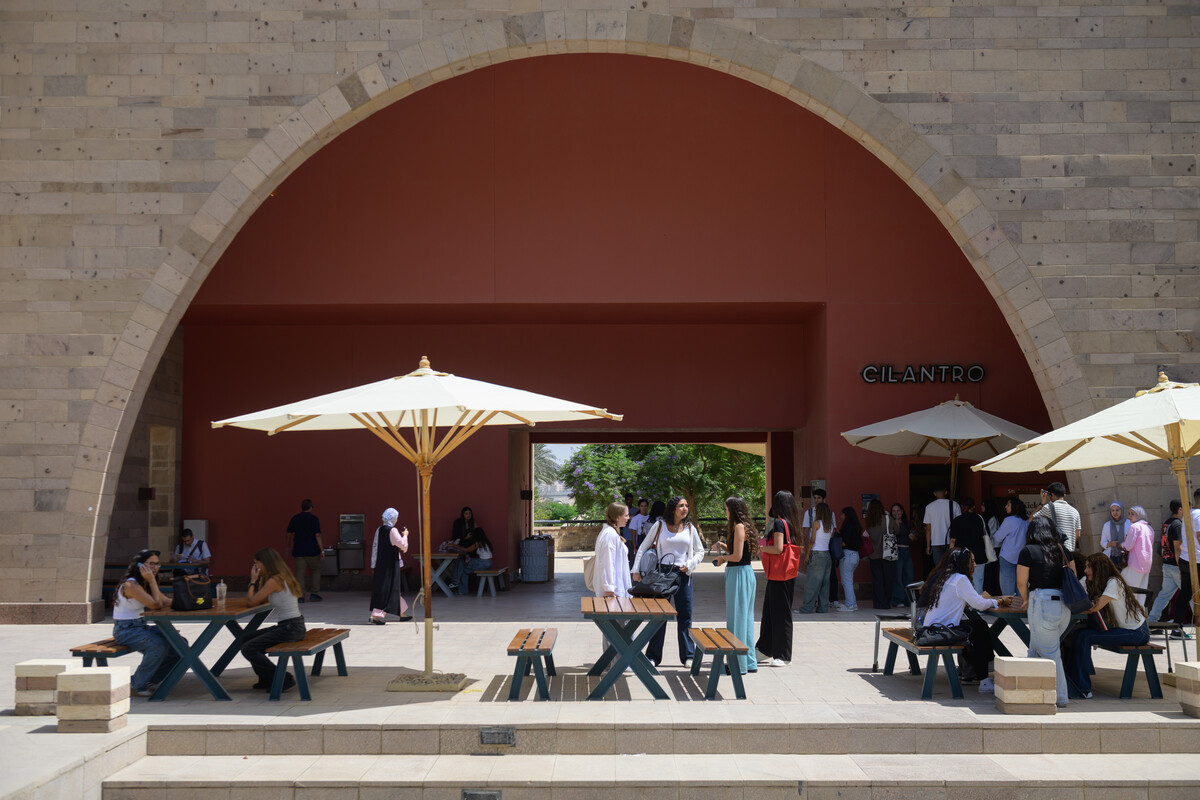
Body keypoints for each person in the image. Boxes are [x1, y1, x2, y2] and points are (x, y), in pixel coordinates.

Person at [919, 547, 1011, 691]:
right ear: (963, 563)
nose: (974, 565)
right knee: (978, 633)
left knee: (978, 626)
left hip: (933, 628)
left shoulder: (946, 576)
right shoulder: (960, 579)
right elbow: (979, 605)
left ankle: (983, 668)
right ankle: (984, 679)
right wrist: (998, 601)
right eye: (972, 562)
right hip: (940, 632)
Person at [632, 496, 704, 666]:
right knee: (659, 616)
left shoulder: (689, 527)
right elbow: (643, 547)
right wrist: (635, 569)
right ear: (673, 508)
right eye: (681, 506)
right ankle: (653, 656)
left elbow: (700, 551)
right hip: (662, 574)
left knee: (685, 615)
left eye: (686, 505)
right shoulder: (660, 525)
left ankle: (688, 656)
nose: (685, 508)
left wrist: (690, 564)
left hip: (683, 574)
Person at [1067, 553, 1150, 698]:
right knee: (1078, 634)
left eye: (1089, 567)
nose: (1085, 571)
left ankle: (1083, 689)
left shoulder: (1114, 582)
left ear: (1099, 568)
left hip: (1137, 633)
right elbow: (1077, 590)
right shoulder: (1094, 581)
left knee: (1085, 636)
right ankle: (1073, 683)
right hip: (1124, 630)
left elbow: (1096, 606)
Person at [1016, 515, 1074, 707]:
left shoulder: (1028, 551)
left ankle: (1061, 697)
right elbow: (1073, 576)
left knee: (1050, 653)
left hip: (1042, 603)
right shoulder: (1063, 550)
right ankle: (1029, 693)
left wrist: (1025, 599)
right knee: (1035, 648)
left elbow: (1021, 582)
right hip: (1064, 606)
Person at [111, 549, 181, 697]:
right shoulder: (131, 586)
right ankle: (136, 684)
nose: (155, 567)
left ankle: (150, 680)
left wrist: (191, 602)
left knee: (180, 643)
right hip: (125, 630)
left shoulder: (144, 583)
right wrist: (152, 580)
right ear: (140, 565)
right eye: (151, 564)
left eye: (157, 564)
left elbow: (164, 601)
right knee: (158, 645)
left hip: (140, 626)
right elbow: (156, 605)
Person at [240, 547, 305, 692]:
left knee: (249, 648)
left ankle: (282, 678)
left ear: (266, 563)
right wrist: (261, 578)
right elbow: (262, 600)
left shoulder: (275, 580)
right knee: (246, 638)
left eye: (257, 563)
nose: (255, 567)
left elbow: (251, 602)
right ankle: (266, 678)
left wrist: (252, 581)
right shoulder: (281, 575)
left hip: (290, 628)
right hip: (293, 625)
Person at [712, 497, 759, 675]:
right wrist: (724, 547)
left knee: (736, 619)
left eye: (726, 509)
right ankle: (748, 661)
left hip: (739, 574)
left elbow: (737, 557)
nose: (725, 512)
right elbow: (740, 553)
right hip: (743, 573)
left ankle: (737, 664)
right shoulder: (743, 526)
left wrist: (722, 558)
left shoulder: (738, 527)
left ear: (732, 510)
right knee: (745, 619)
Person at [757, 491, 801, 666]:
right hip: (784, 574)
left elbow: (777, 548)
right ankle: (765, 648)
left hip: (779, 574)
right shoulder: (792, 523)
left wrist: (761, 549)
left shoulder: (779, 523)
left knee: (780, 614)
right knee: (770, 611)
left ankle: (783, 654)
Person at [369, 507, 411, 625]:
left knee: (393, 588)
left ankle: (402, 612)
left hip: (381, 563)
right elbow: (403, 545)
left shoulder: (380, 529)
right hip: (390, 564)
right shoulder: (392, 530)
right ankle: (375, 615)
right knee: (387, 588)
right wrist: (406, 535)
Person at [1149, 500, 1184, 624]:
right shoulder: (1178, 525)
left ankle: (1151, 620)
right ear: (1180, 509)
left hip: (1167, 565)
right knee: (1190, 595)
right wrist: (1182, 568)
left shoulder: (1166, 523)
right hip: (1176, 567)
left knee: (1163, 596)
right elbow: (1178, 548)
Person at [285, 499, 324, 602]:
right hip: (312, 550)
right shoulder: (314, 519)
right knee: (316, 571)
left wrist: (288, 546)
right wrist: (322, 550)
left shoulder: (295, 518)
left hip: (298, 550)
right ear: (311, 507)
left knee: (299, 573)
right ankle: (314, 594)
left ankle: (300, 596)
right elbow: (317, 535)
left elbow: (289, 533)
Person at [799, 502, 835, 614]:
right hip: (827, 555)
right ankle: (823, 608)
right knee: (825, 584)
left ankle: (807, 608)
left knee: (812, 583)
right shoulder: (830, 525)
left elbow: (812, 540)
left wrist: (807, 554)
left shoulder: (816, 523)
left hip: (816, 554)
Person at [948, 497, 989, 595]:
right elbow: (985, 535)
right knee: (978, 581)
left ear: (962, 507)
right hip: (979, 554)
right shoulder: (979, 518)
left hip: (962, 555)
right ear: (974, 507)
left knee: (962, 581)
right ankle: (977, 605)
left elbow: (953, 540)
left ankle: (966, 606)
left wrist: (951, 555)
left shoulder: (957, 520)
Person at [593, 501, 632, 599]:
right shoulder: (610, 535)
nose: (628, 518)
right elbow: (607, 562)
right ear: (617, 517)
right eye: (626, 515)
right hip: (614, 592)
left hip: (617, 589)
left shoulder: (611, 533)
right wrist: (609, 588)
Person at [863, 499, 896, 610]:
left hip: (873, 554)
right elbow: (898, 530)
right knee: (888, 578)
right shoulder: (887, 519)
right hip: (887, 553)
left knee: (877, 580)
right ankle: (886, 602)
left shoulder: (869, 521)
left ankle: (878, 603)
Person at [993, 497, 1029, 597]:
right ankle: (1020, 609)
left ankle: (1009, 610)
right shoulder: (1025, 521)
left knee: (1007, 588)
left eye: (1008, 505)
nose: (1005, 507)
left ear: (1014, 507)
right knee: (1021, 586)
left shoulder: (1009, 520)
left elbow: (997, 538)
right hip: (1021, 557)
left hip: (1007, 557)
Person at [448, 517, 494, 596]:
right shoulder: (485, 541)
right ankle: (459, 586)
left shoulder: (478, 543)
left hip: (482, 563)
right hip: (488, 563)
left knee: (461, 562)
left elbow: (466, 550)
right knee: (464, 570)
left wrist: (454, 545)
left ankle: (456, 582)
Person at [1033, 482, 1081, 552]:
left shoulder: (1048, 508)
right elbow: (1078, 534)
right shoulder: (1075, 511)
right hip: (1069, 553)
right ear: (1064, 495)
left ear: (1052, 494)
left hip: (1054, 551)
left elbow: (1031, 519)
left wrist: (1042, 503)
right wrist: (1068, 544)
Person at [1121, 505, 1155, 603]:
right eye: (1129, 514)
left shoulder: (1134, 527)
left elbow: (1128, 546)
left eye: (1133, 514)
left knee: (1129, 591)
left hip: (1134, 563)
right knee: (1141, 592)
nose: (1130, 516)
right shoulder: (1149, 528)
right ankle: (1140, 616)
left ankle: (1130, 616)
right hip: (1146, 564)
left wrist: (1122, 544)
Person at [835, 506, 863, 612]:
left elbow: (844, 543)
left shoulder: (847, 526)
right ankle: (853, 603)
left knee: (847, 581)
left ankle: (850, 604)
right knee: (849, 580)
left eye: (842, 514)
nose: (841, 516)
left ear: (846, 515)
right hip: (855, 555)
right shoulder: (856, 526)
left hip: (848, 555)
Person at [923, 488, 960, 567]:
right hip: (951, 541)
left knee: (939, 568)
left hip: (936, 542)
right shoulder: (954, 505)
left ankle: (941, 579)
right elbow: (959, 524)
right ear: (946, 492)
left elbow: (928, 529)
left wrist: (928, 546)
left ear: (935, 493)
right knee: (952, 567)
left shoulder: (929, 507)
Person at [889, 504, 915, 608]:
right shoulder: (890, 523)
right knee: (898, 577)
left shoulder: (907, 523)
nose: (896, 513)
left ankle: (909, 600)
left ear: (902, 512)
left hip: (907, 550)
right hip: (897, 551)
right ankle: (898, 600)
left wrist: (913, 536)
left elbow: (914, 535)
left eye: (898, 510)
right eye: (894, 511)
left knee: (909, 576)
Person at [627, 498, 650, 569]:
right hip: (639, 542)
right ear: (639, 507)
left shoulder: (650, 518)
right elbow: (633, 534)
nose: (644, 508)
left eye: (645, 506)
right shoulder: (635, 518)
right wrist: (635, 547)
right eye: (642, 506)